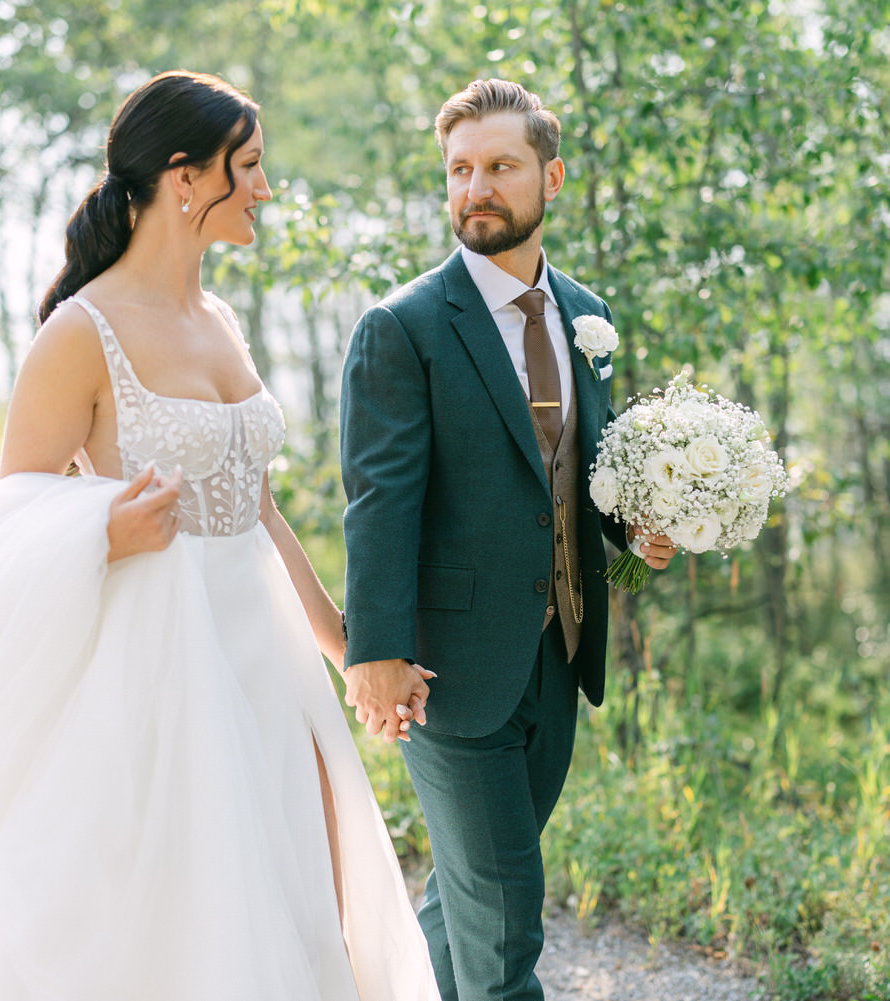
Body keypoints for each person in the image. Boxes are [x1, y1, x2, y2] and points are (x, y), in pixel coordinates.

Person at [0, 70, 437, 1001]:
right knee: (185, 921)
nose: (265, 188)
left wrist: (347, 643)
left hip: (264, 657)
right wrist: (101, 527)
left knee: (307, 897)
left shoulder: (221, 319)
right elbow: (2, 521)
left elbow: (257, 506)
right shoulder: (80, 331)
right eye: (250, 167)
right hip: (153, 660)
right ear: (185, 179)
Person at [338, 78, 678, 1001]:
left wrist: (636, 537)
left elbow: (582, 475)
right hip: (448, 672)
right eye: (459, 169)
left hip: (559, 656)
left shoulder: (587, 313)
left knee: (467, 896)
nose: (475, 187)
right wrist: (374, 653)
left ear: (551, 176)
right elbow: (378, 503)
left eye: (499, 166)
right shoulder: (402, 328)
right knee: (506, 923)